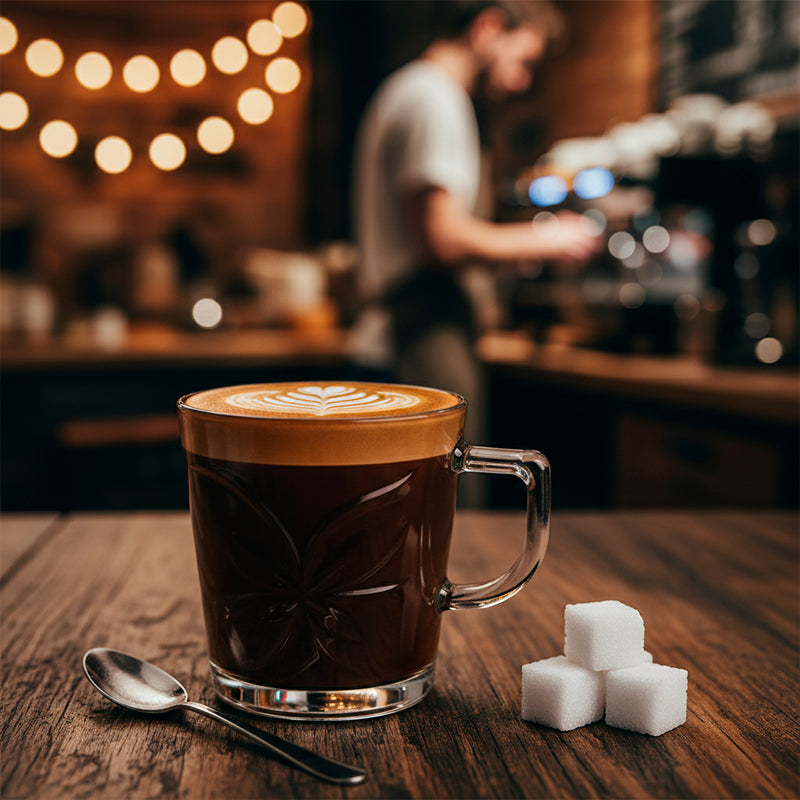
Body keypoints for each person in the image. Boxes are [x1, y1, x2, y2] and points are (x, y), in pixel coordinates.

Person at [352, 0, 600, 501]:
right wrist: (548, 238)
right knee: (449, 502)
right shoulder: (434, 97)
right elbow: (442, 238)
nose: (522, 81)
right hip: (426, 322)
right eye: (524, 60)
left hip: (414, 316)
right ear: (489, 28)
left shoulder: (408, 89)